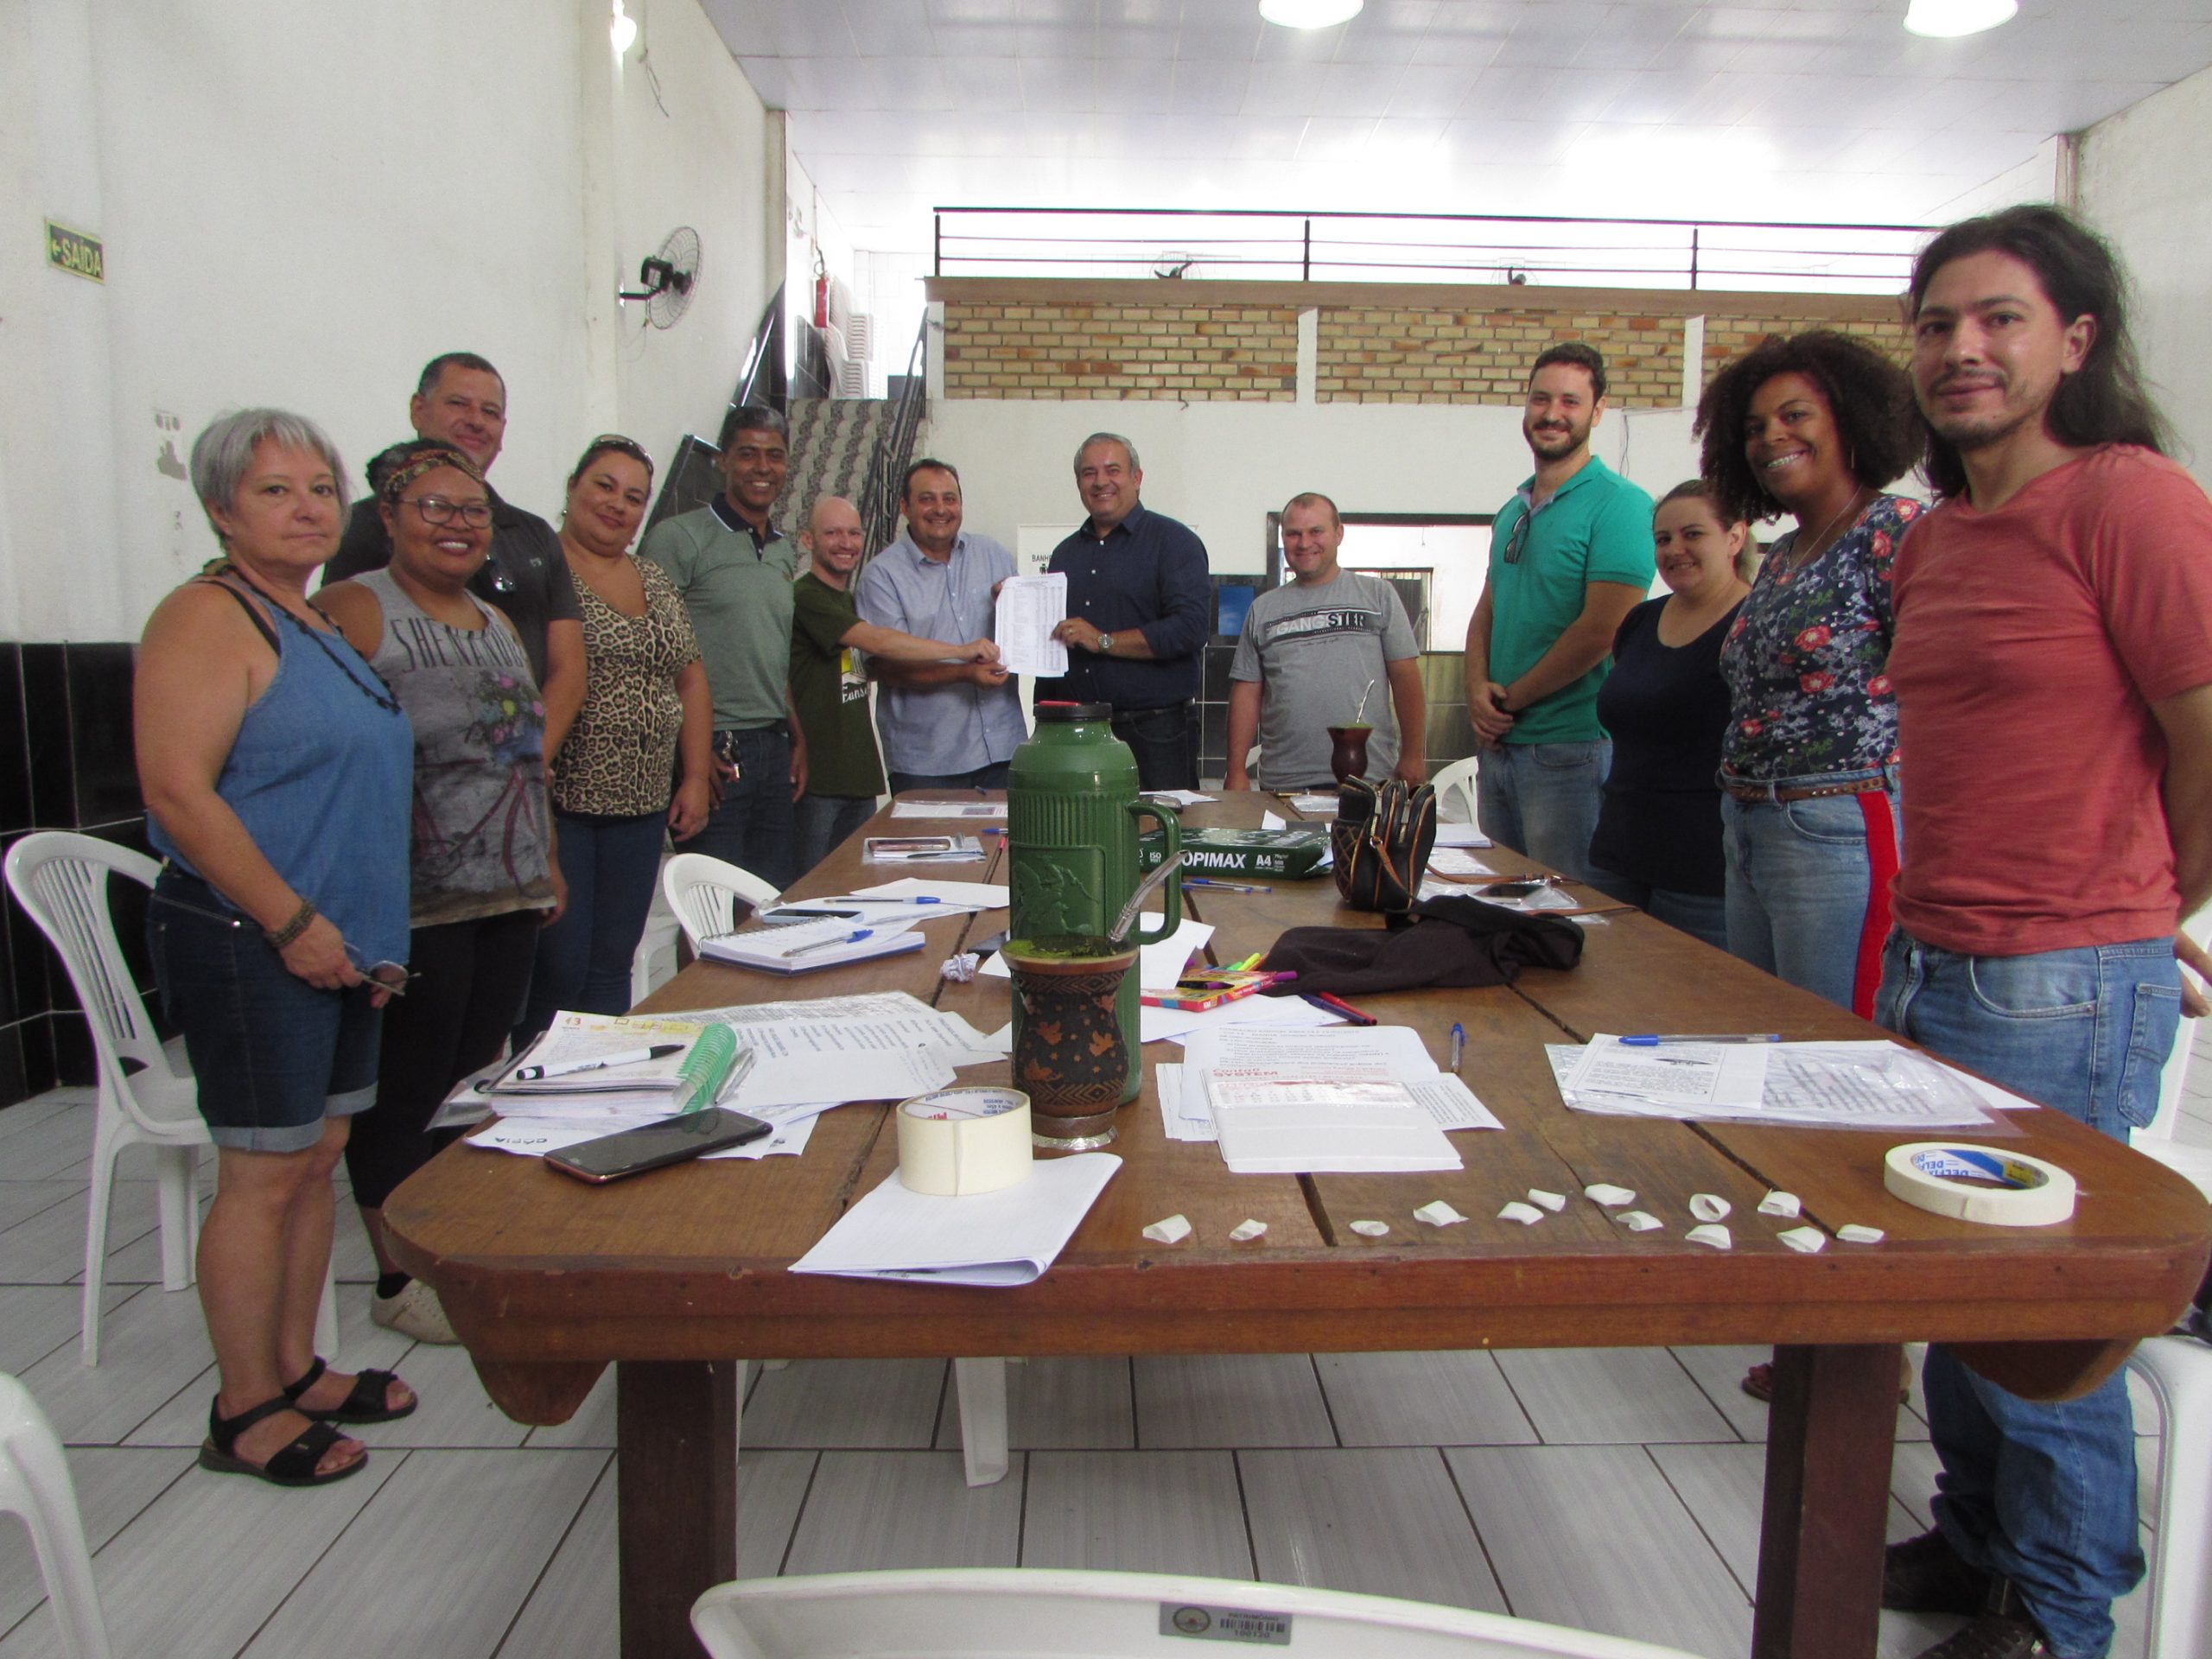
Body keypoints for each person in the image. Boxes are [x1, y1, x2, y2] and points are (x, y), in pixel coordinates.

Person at [1876, 205, 2212, 1659]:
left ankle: (2059, 1610)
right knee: (1958, 1279)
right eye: (1938, 323)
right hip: (1934, 957)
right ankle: (1978, 1540)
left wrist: (2139, 914)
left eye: (1999, 318)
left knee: (2042, 1308)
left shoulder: (2131, 502)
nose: (1962, 347)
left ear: (2074, 341)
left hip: (2058, 977)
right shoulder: (1939, 535)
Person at [137, 409, 416, 1487]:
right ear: (220, 509)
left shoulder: (308, 619)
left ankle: (297, 1367)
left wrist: (363, 938)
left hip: (339, 944)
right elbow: (178, 793)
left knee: (316, 1155)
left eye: (319, 489)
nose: (306, 509)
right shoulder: (205, 618)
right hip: (253, 936)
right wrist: (292, 925)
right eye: (274, 490)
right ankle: (244, 1407)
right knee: (261, 1171)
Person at [318, 445, 560, 1344]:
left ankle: (455, 1241)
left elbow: (522, 754)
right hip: (414, 896)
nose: (458, 525)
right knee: (405, 1088)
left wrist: (546, 859)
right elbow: (327, 750)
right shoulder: (353, 609)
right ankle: (398, 1276)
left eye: (473, 511)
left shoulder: (494, 619)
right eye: (434, 507)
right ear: (388, 516)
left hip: (506, 885)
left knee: (471, 1079)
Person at [1694, 329, 1924, 1017]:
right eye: (1753, 427)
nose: (1771, 436)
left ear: (1851, 421)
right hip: (1748, 823)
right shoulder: (1783, 554)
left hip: (1838, 826)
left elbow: (1947, 697)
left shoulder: (1897, 530)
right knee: (1763, 1036)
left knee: (1829, 1042)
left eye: (1795, 415)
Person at [516, 436, 712, 1039]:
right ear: (573, 487)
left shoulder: (653, 577)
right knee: (558, 966)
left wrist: (695, 776)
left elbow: (690, 676)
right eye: (604, 486)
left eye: (633, 497)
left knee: (611, 964)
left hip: (641, 807)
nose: (617, 505)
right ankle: (542, 1080)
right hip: (565, 805)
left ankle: (599, 1076)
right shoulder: (541, 572)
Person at [321, 351, 584, 759]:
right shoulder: (363, 527)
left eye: (490, 412)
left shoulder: (532, 535)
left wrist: (525, 763)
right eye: (458, 404)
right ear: (418, 410)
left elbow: (568, 670)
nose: (475, 421)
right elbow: (341, 686)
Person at [1464, 343, 1656, 883]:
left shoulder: (1621, 505)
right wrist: (1476, 692)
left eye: (1570, 401)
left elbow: (1603, 629)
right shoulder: (1512, 511)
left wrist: (1509, 701)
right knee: (1504, 905)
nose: (1552, 413)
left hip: (1570, 749)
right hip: (1500, 748)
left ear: (1598, 411)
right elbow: (1487, 609)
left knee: (1568, 909)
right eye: (1541, 399)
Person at [640, 405, 807, 890]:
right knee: (712, 907)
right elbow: (651, 655)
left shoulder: (782, 549)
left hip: (772, 748)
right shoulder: (679, 539)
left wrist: (796, 736)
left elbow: (770, 649)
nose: (762, 467)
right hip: (714, 749)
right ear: (723, 460)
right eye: (748, 454)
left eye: (774, 455)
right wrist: (688, 757)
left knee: (771, 903)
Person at [789, 494, 1001, 872]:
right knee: (810, 883)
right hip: (818, 774)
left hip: (857, 772)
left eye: (854, 533)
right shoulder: (806, 596)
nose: (846, 543)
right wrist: (962, 652)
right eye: (832, 533)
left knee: (850, 882)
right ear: (807, 540)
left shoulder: (848, 600)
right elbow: (881, 642)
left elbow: (872, 667)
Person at [1584, 481, 1752, 950]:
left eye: (1692, 534)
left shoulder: (1754, 623)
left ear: (1735, 537)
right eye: (1663, 539)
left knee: (1693, 994)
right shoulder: (1640, 621)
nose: (1675, 549)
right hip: (1618, 852)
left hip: (1703, 868)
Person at [1036, 433, 1211, 791]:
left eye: (1112, 470)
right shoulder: (1065, 554)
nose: (1100, 481)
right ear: (1079, 483)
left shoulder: (1174, 543)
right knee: (1080, 824)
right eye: (1089, 473)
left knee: (1159, 824)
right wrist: (1015, 604)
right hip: (1077, 734)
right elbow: (1053, 641)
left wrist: (1103, 640)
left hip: (1155, 733)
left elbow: (1190, 628)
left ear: (1137, 477)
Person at [1225, 492, 1426, 792]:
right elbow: (1247, 692)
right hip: (1283, 786)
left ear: (1338, 534)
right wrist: (1235, 770)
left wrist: (1413, 755)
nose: (1305, 543)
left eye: (1316, 531)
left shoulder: (1378, 596)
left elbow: (1405, 677)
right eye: (1294, 534)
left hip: (1367, 782)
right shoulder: (1263, 609)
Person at [855, 459, 1027, 794]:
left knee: (1010, 832)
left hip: (1004, 750)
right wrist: (965, 673)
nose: (940, 509)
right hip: (927, 762)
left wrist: (1021, 610)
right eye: (927, 499)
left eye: (950, 498)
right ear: (904, 507)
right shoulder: (882, 575)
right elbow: (888, 668)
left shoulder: (993, 555)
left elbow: (1026, 637)